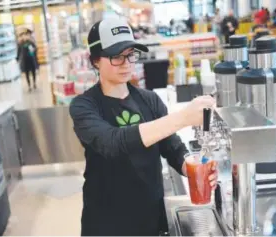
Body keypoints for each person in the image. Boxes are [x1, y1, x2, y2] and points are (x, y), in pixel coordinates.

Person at [69, 18, 218, 236]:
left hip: (150, 221)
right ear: (95, 61)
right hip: (106, 224)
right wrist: (183, 117)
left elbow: (173, 148)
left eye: (130, 54)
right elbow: (112, 142)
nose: (127, 63)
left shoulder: (150, 100)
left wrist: (192, 168)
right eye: (116, 57)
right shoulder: (84, 106)